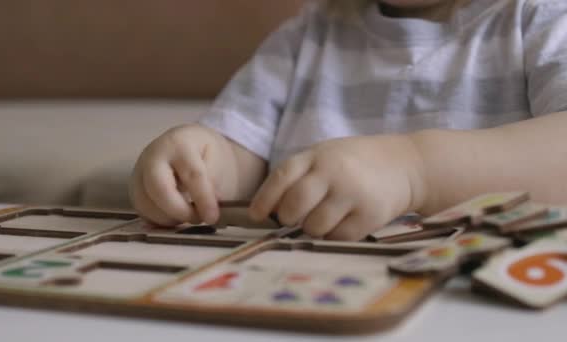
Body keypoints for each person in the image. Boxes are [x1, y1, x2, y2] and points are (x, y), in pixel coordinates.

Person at [130, 0, 567, 241]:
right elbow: (240, 155)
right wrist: (196, 169)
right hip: (306, 292)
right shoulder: (306, 35)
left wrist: (414, 169)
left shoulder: (542, 16)